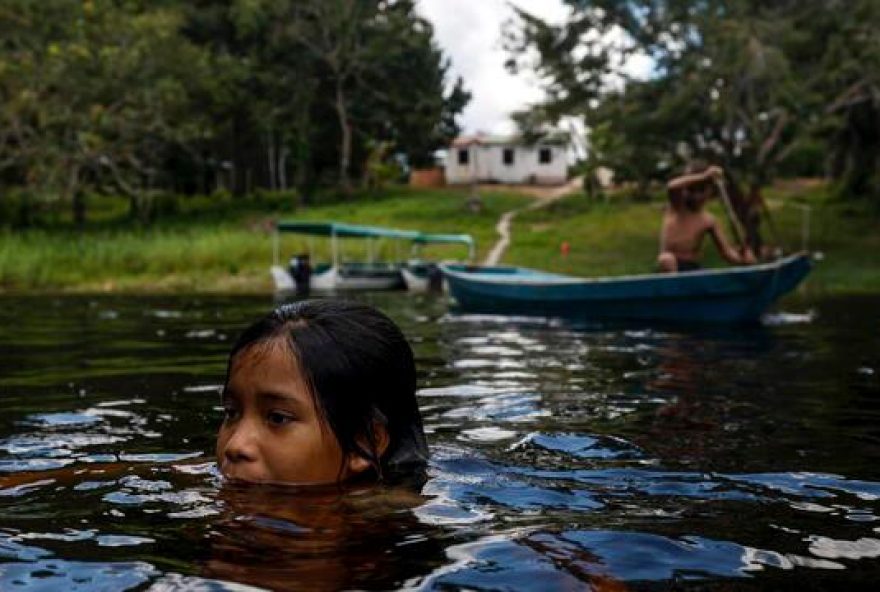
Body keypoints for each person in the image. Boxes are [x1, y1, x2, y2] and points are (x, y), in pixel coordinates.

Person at [216, 299, 428, 486]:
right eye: (231, 413)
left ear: (363, 441)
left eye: (277, 418)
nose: (235, 445)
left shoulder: (393, 524)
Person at [657, 163, 756, 273]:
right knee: (666, 259)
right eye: (691, 190)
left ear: (710, 191)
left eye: (701, 190)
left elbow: (726, 252)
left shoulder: (708, 220)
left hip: (691, 266)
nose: (696, 196)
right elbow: (672, 186)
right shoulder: (677, 206)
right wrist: (705, 176)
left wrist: (743, 260)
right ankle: (674, 288)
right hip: (670, 266)